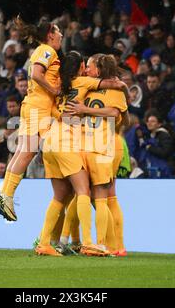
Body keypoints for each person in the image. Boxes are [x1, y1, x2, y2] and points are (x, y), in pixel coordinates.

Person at [36, 51, 127, 256]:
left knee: (60, 196)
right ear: (79, 67)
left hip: (50, 141)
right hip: (70, 143)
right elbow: (114, 90)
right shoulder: (83, 82)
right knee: (86, 193)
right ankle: (88, 243)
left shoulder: (58, 86)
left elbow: (55, 112)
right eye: (84, 65)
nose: (86, 68)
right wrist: (121, 85)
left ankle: (46, 242)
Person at [0, 17, 63, 222]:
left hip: (32, 105)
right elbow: (36, 73)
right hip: (39, 106)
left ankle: (5, 193)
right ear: (50, 34)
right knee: (28, 150)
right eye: (58, 32)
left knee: (23, 150)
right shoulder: (47, 50)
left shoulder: (42, 51)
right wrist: (55, 90)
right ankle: (6, 194)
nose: (61, 36)